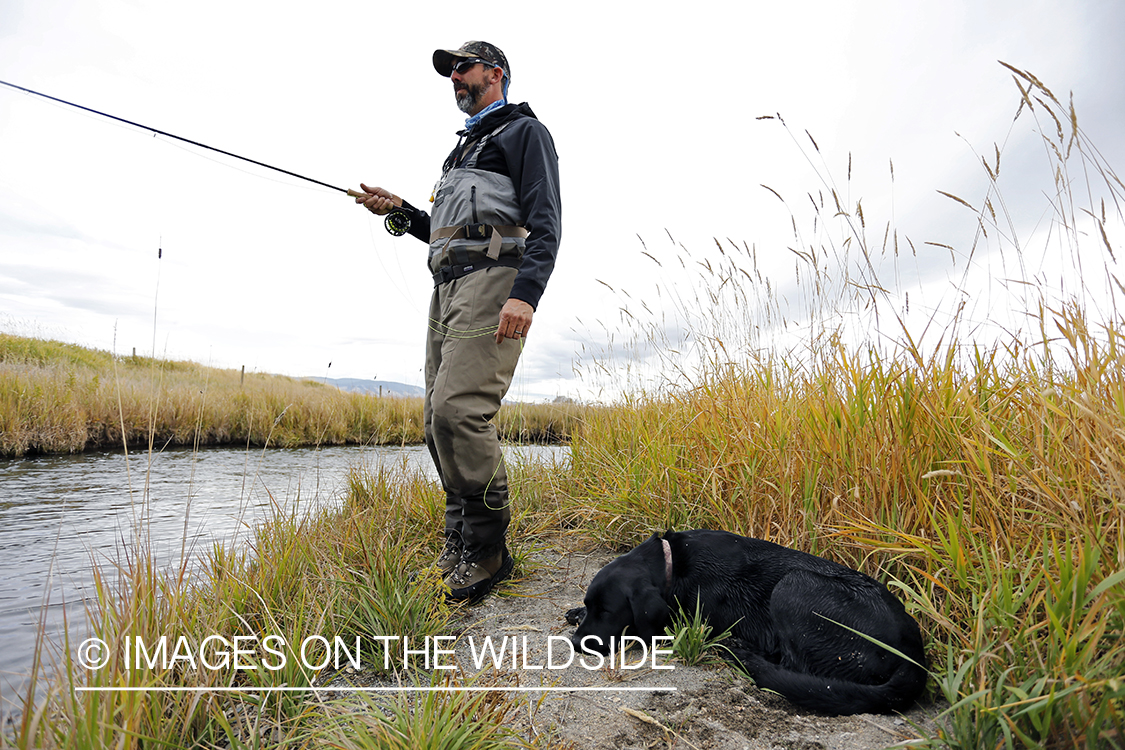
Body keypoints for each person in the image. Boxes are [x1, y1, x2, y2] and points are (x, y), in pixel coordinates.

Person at [354, 41, 561, 602]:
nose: (454, 78)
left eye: (462, 68)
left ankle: (490, 550)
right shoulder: (462, 152)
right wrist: (399, 209)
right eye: (450, 72)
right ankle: (460, 537)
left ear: (496, 74)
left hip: (494, 285)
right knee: (433, 419)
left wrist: (526, 294)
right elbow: (448, 232)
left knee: (459, 411)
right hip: (445, 291)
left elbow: (546, 221)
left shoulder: (525, 134)